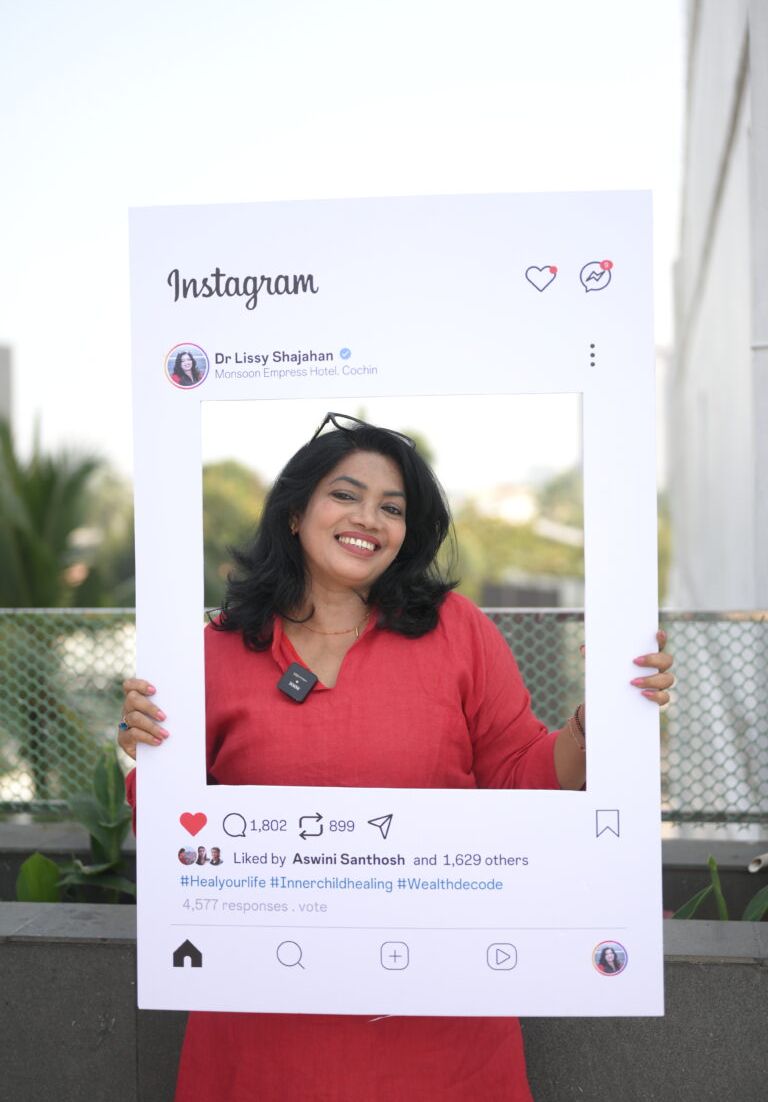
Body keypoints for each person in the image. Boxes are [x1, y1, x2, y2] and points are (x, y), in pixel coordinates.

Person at [118, 412, 674, 1102]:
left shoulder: (458, 631)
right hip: (263, 1027)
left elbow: (519, 776)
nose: (368, 519)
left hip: (444, 1023)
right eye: (345, 495)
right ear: (294, 513)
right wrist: (138, 755)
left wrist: (604, 720)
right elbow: (173, 832)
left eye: (392, 507)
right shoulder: (213, 652)